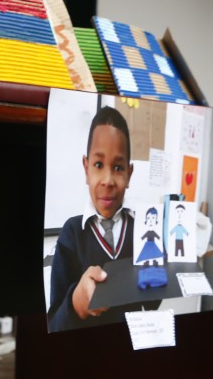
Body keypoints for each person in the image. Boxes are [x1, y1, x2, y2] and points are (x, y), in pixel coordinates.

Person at [47, 106, 158, 333]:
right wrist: (76, 303)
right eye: (98, 165)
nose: (107, 180)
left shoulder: (142, 230)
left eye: (118, 168)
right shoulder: (71, 234)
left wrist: (161, 271)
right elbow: (54, 324)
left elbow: (151, 303)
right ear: (86, 168)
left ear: (129, 174)